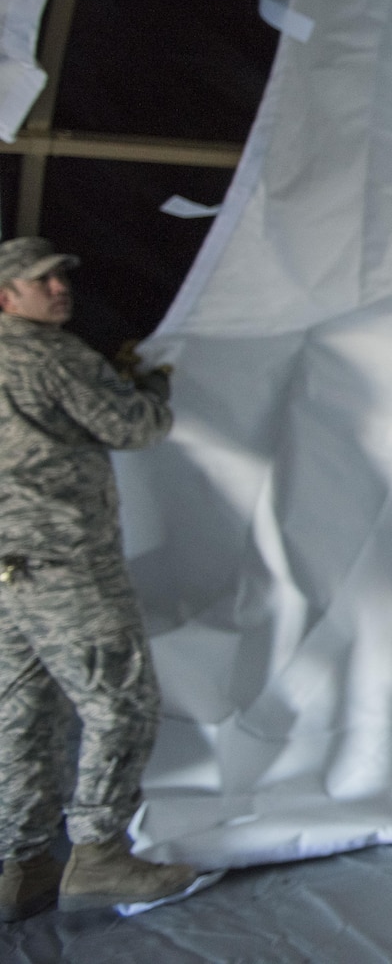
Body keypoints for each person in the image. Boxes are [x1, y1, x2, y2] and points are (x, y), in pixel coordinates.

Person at [0, 238, 209, 919]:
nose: (59, 287)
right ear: (8, 297)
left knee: (23, 715)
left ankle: (21, 863)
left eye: (61, 277)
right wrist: (148, 383)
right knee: (122, 699)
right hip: (65, 563)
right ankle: (99, 852)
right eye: (42, 281)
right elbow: (135, 426)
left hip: (9, 569)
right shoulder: (51, 355)